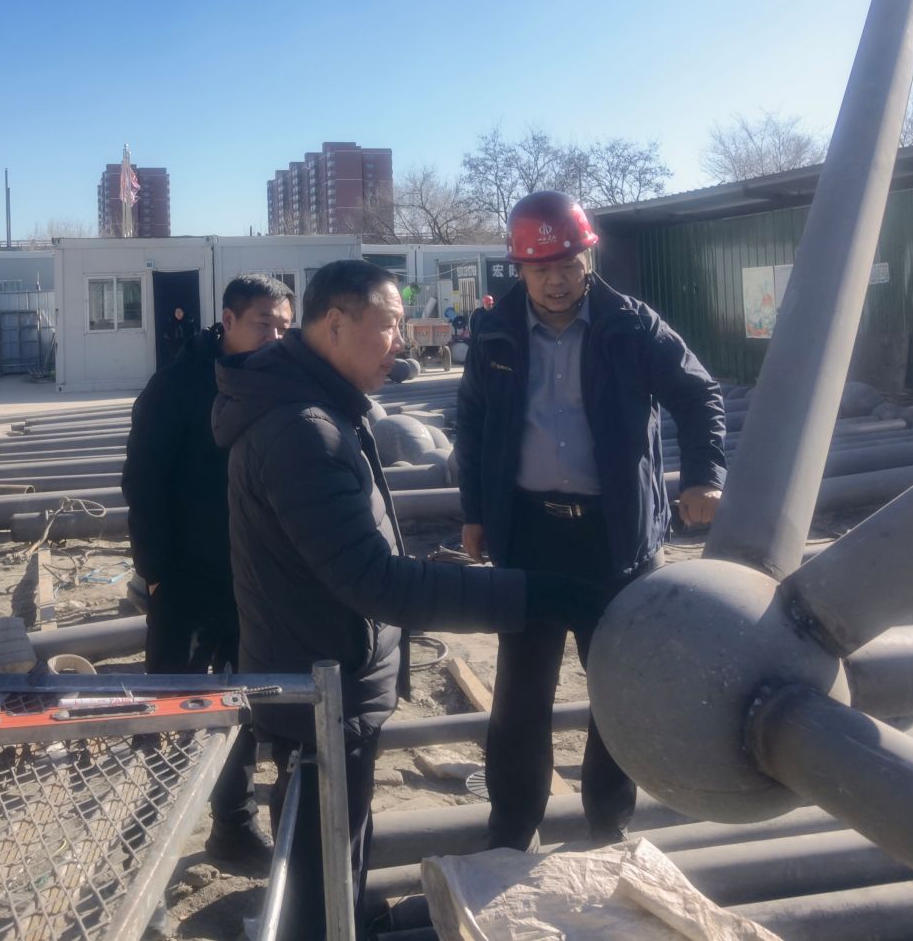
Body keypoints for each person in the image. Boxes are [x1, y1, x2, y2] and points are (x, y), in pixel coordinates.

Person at [215, 258, 604, 936]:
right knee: (320, 849)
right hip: (321, 679)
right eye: (390, 324)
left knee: (340, 834)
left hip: (329, 667)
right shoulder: (303, 431)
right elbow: (378, 581)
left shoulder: (324, 407)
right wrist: (539, 596)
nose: (401, 341)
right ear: (336, 324)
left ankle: (344, 912)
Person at [457, 191, 728, 853]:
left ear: (588, 258)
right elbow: (472, 422)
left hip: (615, 538)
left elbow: (699, 394)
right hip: (529, 536)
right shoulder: (494, 332)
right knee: (521, 694)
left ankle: (608, 822)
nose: (556, 279)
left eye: (568, 264)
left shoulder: (630, 326)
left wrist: (703, 476)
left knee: (618, 687)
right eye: (540, 267)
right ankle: (511, 825)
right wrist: (475, 513)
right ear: (520, 269)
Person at [122, 273, 296, 866]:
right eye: (263, 324)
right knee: (170, 709)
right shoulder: (177, 386)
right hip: (188, 576)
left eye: (284, 326)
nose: (275, 337)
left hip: (258, 576)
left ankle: (234, 827)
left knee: (242, 702)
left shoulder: (282, 381)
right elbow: (142, 482)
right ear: (228, 321)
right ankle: (144, 845)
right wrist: (156, 573)